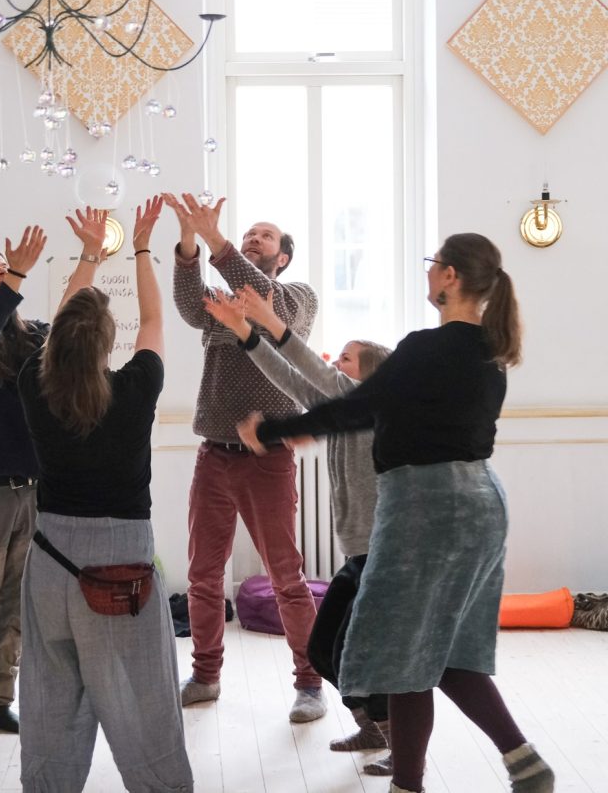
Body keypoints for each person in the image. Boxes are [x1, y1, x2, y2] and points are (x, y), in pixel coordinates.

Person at [238, 234, 554, 793]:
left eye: (434, 264)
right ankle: (522, 762)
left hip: (426, 509)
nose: (428, 272)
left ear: (450, 276)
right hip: (482, 503)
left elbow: (358, 404)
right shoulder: (492, 353)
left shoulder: (425, 348)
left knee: (403, 656)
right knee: (448, 651)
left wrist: (275, 430)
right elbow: (366, 406)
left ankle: (409, 785)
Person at [17, 196, 192, 793]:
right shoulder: (136, 388)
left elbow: (61, 327)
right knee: (143, 700)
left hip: (52, 561)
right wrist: (142, 247)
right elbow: (155, 322)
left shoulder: (34, 385)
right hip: (121, 571)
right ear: (107, 344)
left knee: (49, 696)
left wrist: (90, 254)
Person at [203, 285, 394, 774]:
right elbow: (287, 376)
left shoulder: (370, 407)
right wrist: (244, 330)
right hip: (358, 552)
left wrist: (268, 322)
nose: (335, 362)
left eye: (346, 358)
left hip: (384, 554)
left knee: (360, 649)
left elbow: (311, 369)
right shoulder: (341, 407)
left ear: (367, 376)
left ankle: (397, 740)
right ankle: (371, 726)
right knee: (326, 648)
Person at [0, 209, 107, 741]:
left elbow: (70, 311)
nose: (3, 272)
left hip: (28, 491)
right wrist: (17, 276)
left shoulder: (31, 335)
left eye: (4, 266)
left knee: (14, 605)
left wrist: (90, 254)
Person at [167, 191, 325, 722]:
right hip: (213, 455)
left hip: (268, 460)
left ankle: (309, 683)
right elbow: (188, 305)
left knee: (286, 578)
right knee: (203, 576)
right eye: (249, 233)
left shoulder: (296, 299)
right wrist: (189, 241)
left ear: (283, 256)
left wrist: (216, 240)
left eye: (266, 235)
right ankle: (205, 675)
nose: (255, 238)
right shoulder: (221, 301)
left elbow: (265, 299)